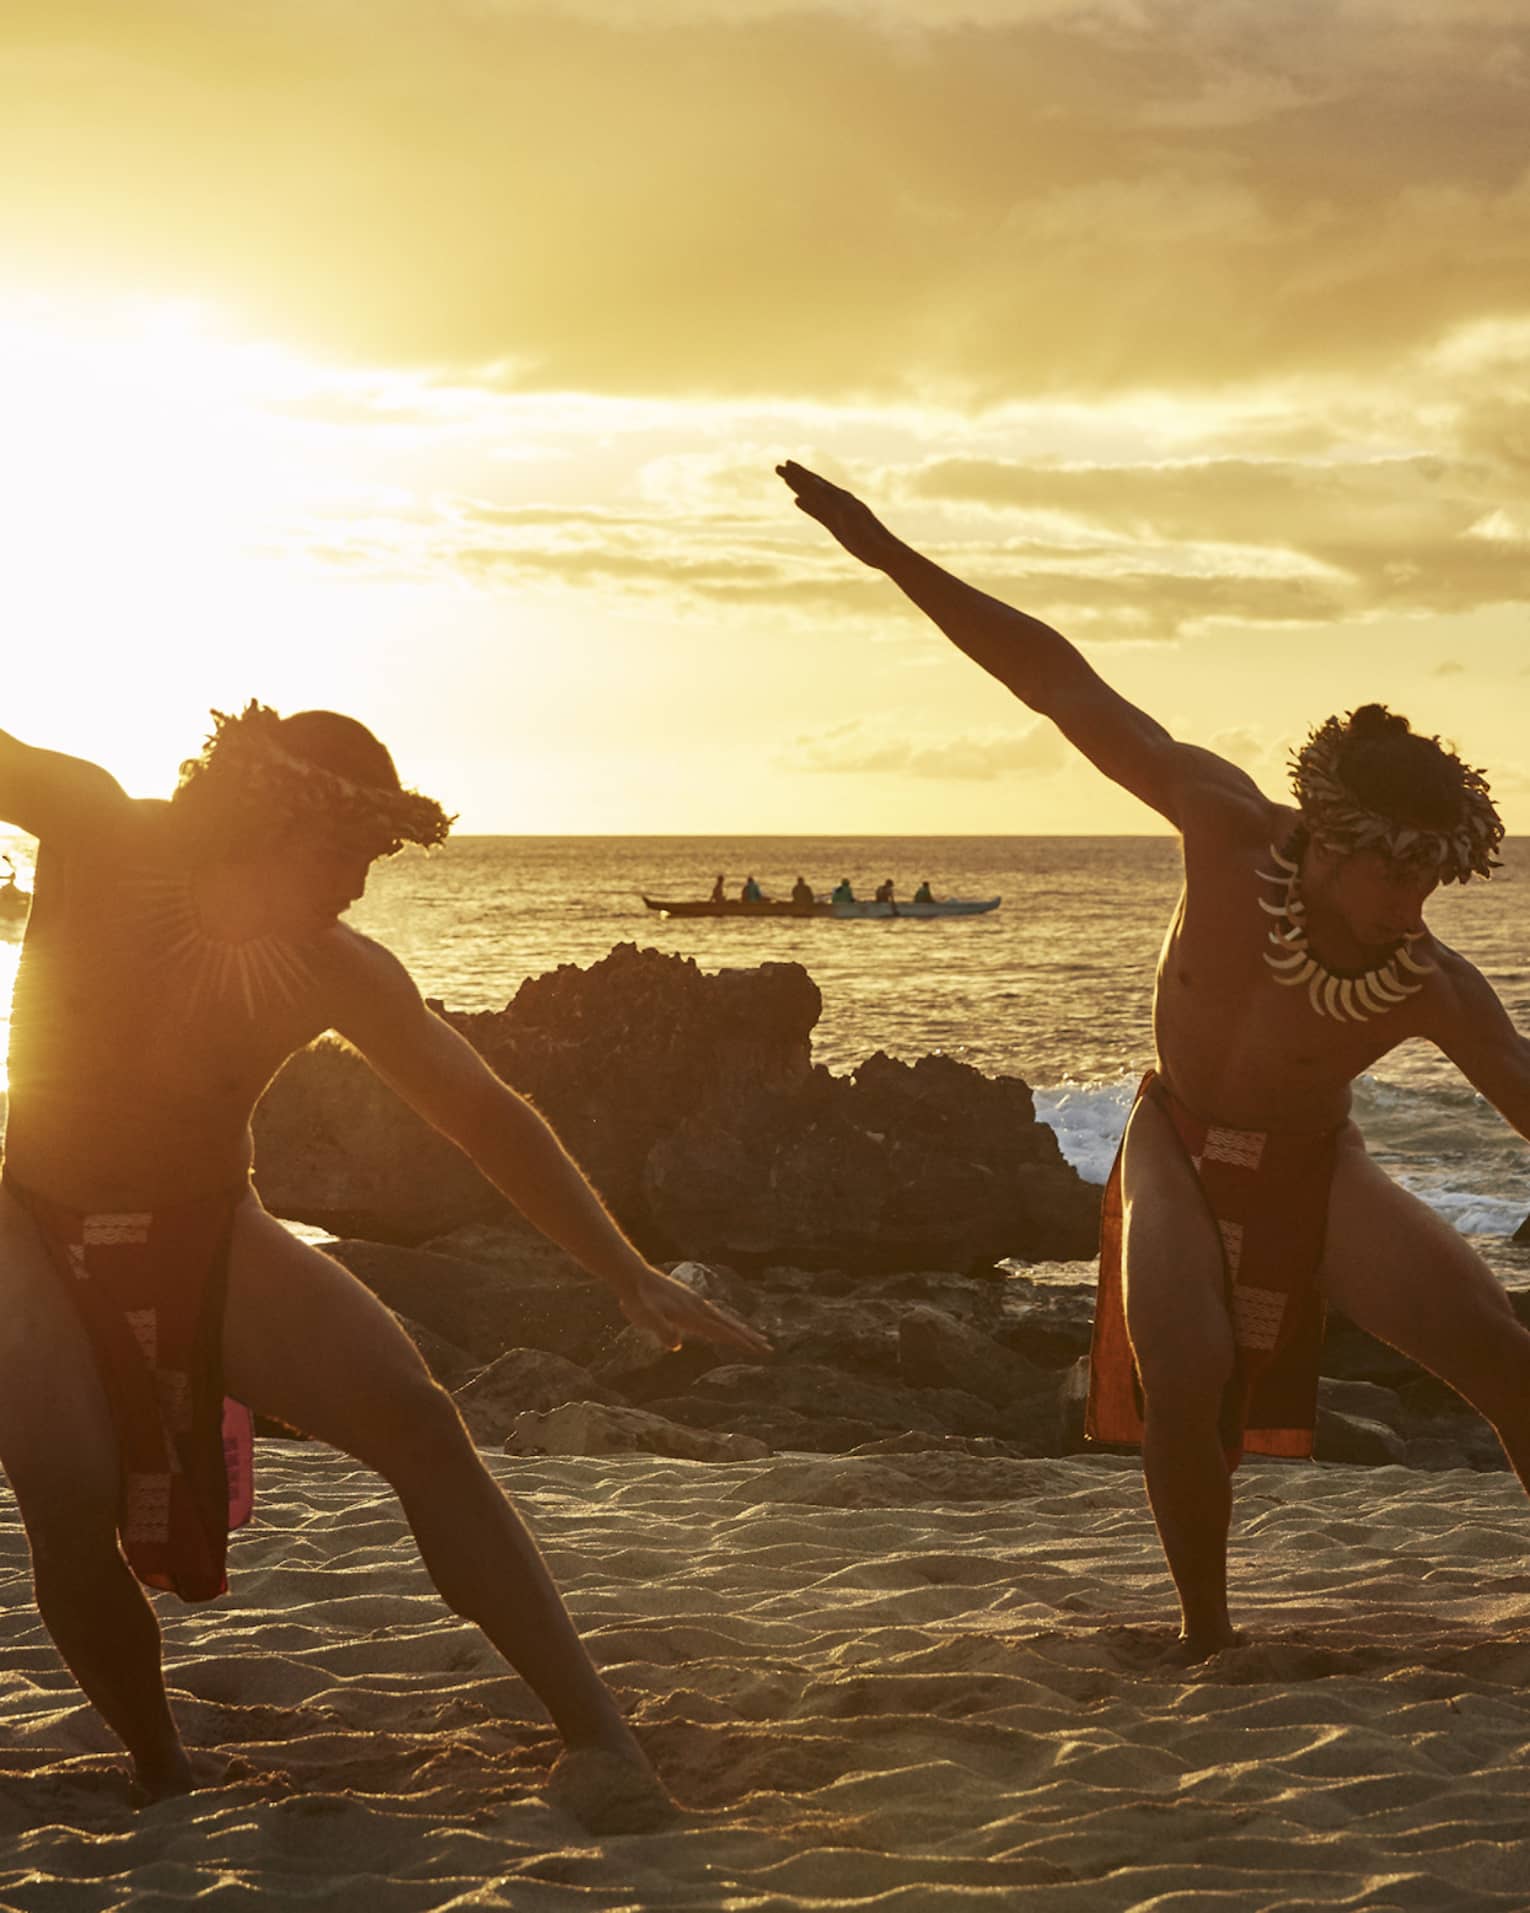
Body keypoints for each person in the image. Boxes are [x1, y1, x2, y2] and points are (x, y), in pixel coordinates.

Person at [778, 459, 1530, 1660]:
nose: (1415, 901)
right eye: (1399, 871)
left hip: (1312, 1165)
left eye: (1434, 877)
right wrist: (887, 551)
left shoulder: (1430, 984)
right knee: (1187, 1369)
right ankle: (1206, 1633)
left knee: (1504, 1358)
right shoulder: (1219, 823)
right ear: (1329, 842)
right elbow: (1060, 684)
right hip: (1175, 1139)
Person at [0, 701, 768, 1811]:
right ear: (267, 814)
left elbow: (482, 1111)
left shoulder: (333, 968)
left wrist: (623, 1269)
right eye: (349, 849)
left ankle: (602, 1737)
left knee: (420, 1418)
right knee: (65, 1486)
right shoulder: (97, 827)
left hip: (209, 1226)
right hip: (30, 1222)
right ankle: (162, 1767)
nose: (361, 883)